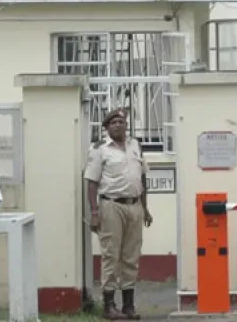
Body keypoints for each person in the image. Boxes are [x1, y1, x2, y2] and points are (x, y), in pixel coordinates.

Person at [84, 109, 152, 319]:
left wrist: (145, 208)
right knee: (111, 255)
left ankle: (129, 305)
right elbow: (91, 182)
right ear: (107, 127)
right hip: (111, 206)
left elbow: (142, 179)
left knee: (131, 256)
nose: (117, 125)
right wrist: (94, 212)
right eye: (113, 122)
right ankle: (109, 306)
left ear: (126, 125)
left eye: (121, 121)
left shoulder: (135, 146)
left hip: (135, 206)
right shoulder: (99, 149)